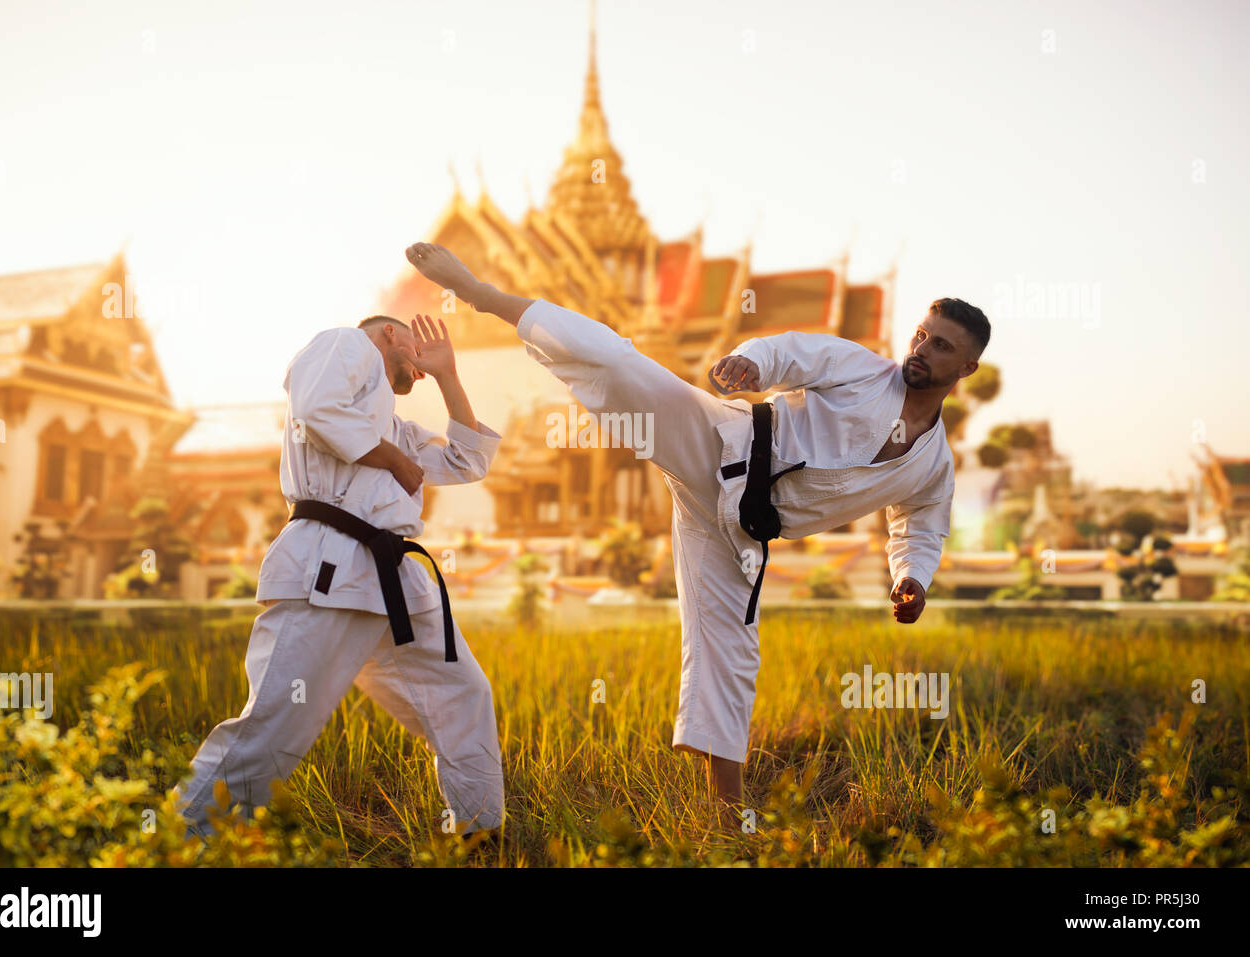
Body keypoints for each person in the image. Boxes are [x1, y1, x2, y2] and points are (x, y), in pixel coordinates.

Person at [403, 240, 989, 810]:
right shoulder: (863, 370)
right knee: (615, 361)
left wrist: (910, 577)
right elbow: (793, 352)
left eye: (939, 346)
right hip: (718, 441)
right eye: (919, 335)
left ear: (966, 366)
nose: (920, 349)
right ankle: (479, 292)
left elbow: (919, 528)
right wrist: (749, 360)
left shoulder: (933, 466)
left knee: (731, 656)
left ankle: (725, 818)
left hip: (737, 527)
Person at [172, 312, 505, 839]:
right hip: (328, 566)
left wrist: (447, 376)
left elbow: (467, 462)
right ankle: (180, 841)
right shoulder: (345, 345)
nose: (418, 368)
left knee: (462, 694)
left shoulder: (394, 426)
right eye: (418, 350)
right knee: (277, 725)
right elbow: (315, 409)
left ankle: (478, 830)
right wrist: (393, 459)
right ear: (390, 334)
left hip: (397, 581)